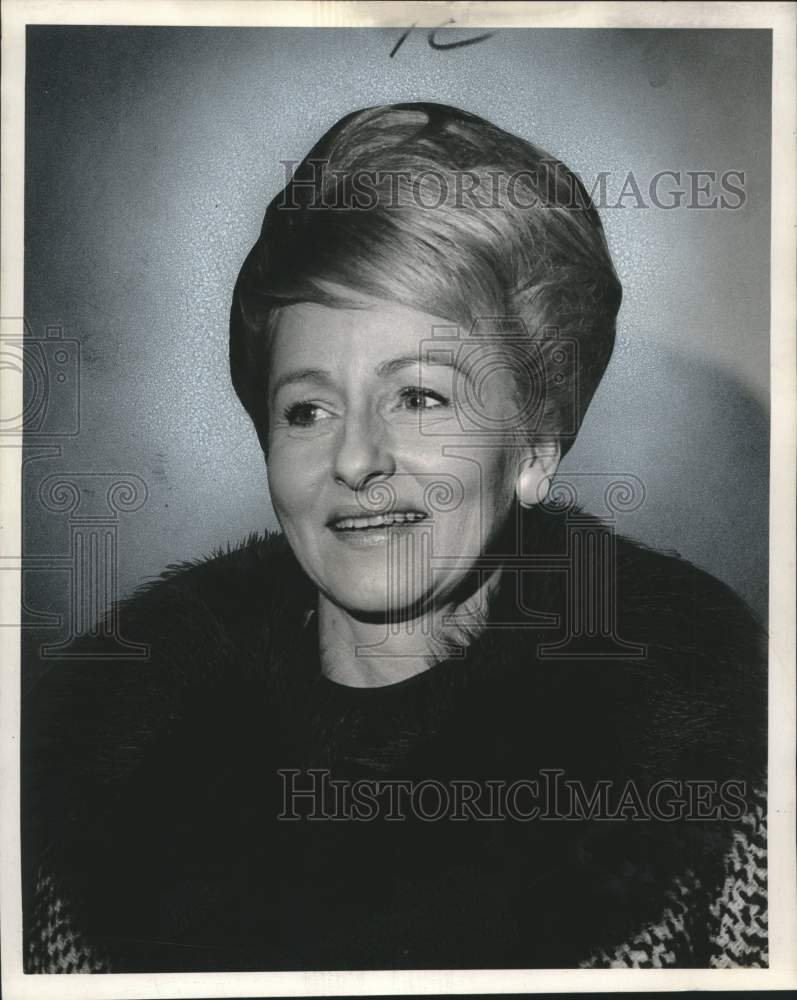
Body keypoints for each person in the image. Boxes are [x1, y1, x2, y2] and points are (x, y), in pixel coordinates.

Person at [23, 102, 767, 973]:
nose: (354, 458)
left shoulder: (712, 792)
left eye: (419, 396)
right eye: (306, 409)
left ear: (532, 448)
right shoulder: (95, 801)